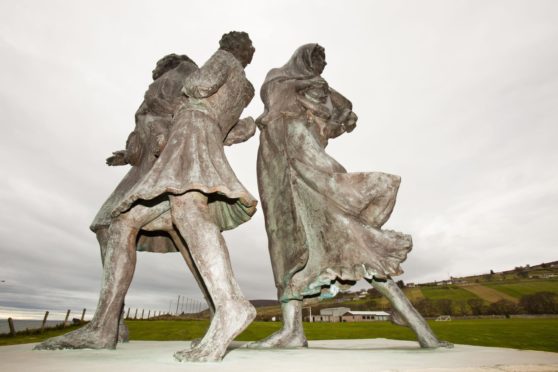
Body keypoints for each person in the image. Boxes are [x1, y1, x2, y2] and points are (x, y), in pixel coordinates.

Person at [35, 31, 258, 362]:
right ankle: (105, 327)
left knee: (188, 211)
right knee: (127, 220)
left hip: (189, 137)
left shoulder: (210, 64)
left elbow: (197, 87)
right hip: (193, 136)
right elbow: (235, 128)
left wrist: (164, 128)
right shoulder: (244, 86)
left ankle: (230, 305)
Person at [250, 44, 450, 349]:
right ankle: (293, 329)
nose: (320, 69)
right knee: (287, 244)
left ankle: (418, 326)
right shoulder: (279, 79)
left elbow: (344, 113)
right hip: (279, 168)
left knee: (357, 229)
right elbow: (273, 97)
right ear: (303, 60)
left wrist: (339, 117)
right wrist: (314, 92)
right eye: (316, 62)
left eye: (323, 65)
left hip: (308, 166)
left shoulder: (316, 95)